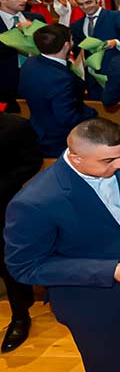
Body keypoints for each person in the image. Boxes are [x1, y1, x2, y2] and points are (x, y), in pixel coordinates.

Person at [5, 118, 120, 372]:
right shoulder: (35, 201)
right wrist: (107, 270)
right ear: (76, 158)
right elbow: (25, 266)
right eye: (109, 161)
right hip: (92, 302)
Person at [19, 23, 97, 156]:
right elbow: (66, 118)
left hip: (38, 129)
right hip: (60, 140)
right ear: (67, 45)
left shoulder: (30, 63)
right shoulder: (61, 79)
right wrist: (92, 115)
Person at [0, 112, 43, 353]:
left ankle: (20, 315)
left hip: (3, 206)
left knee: (7, 262)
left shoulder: (14, 127)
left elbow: (32, 161)